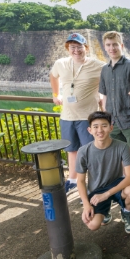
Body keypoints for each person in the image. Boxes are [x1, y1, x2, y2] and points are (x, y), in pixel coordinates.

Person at [49, 33, 105, 194]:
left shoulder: (98, 65)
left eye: (79, 46)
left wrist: (103, 97)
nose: (76, 50)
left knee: (89, 151)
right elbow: (53, 76)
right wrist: (55, 94)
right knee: (71, 150)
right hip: (67, 117)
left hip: (88, 117)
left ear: (86, 48)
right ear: (68, 49)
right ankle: (73, 180)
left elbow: (109, 80)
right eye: (72, 47)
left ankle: (91, 185)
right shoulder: (61, 63)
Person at [76, 111, 130, 234]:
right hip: (96, 190)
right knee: (93, 225)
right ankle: (105, 211)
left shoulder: (122, 146)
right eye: (95, 126)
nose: (100, 130)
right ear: (90, 130)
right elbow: (80, 180)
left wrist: (106, 194)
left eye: (104, 125)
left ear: (111, 128)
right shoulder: (83, 151)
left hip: (116, 184)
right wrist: (86, 205)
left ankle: (126, 214)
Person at [99, 31, 130, 201]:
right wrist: (104, 119)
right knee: (115, 154)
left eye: (115, 44)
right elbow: (104, 97)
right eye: (108, 45)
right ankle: (120, 184)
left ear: (121, 46)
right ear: (105, 47)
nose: (112, 48)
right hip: (112, 120)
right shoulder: (104, 70)